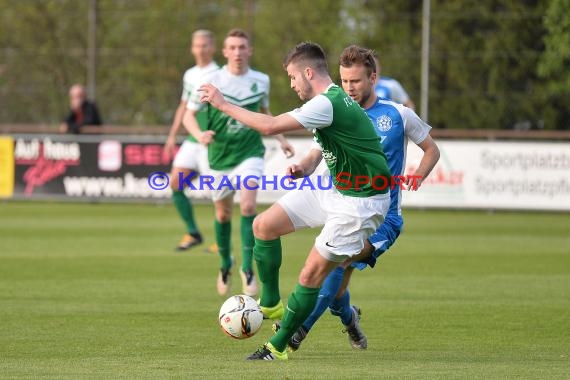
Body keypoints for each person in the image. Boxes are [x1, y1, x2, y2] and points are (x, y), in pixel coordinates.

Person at [199, 41, 392, 361]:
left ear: (307, 72)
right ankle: (271, 303)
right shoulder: (329, 103)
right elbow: (322, 148)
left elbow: (271, 125)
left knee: (309, 276)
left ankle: (276, 348)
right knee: (263, 225)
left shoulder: (327, 103)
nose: (290, 84)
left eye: (291, 77)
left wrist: (223, 104)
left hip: (360, 203)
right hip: (334, 188)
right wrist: (304, 166)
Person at [281, 45, 440, 352]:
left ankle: (297, 330)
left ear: (373, 78)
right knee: (336, 281)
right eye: (344, 81)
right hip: (346, 206)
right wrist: (303, 166)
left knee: (336, 265)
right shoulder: (333, 110)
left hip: (383, 218)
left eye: (356, 81)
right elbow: (315, 154)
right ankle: (349, 318)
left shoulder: (398, 114)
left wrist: (417, 176)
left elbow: (431, 149)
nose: (349, 87)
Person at [183, 28, 294, 298]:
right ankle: (225, 264)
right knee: (222, 214)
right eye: (232, 47)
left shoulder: (261, 80)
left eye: (242, 47)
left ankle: (247, 268)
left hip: (250, 152)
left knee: (247, 205)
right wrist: (199, 134)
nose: (237, 52)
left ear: (249, 51)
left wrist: (282, 140)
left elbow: (266, 115)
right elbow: (189, 115)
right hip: (219, 157)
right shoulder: (211, 79)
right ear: (224, 52)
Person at [164, 29, 219, 251]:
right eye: (198, 45)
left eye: (205, 44)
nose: (201, 49)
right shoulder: (189, 74)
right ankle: (193, 232)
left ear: (213, 47)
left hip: (212, 141)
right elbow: (184, 106)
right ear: (192, 48)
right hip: (192, 139)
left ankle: (220, 241)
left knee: (218, 192)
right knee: (175, 183)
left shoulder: (219, 73)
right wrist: (172, 135)